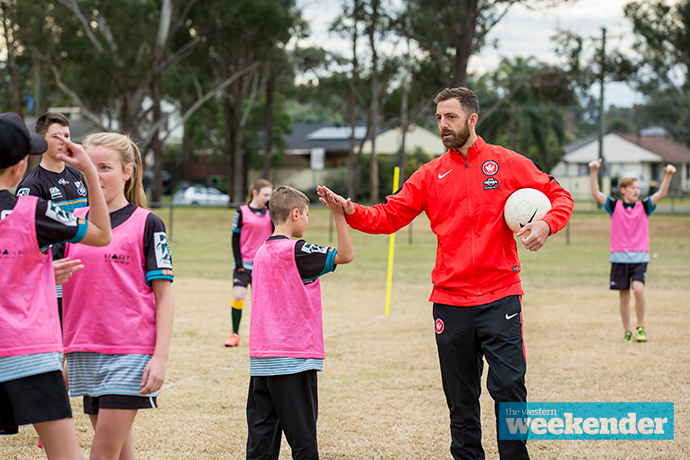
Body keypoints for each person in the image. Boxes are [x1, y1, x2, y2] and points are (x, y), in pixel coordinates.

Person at [318, 87, 574, 460]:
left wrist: (547, 224)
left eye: (450, 117)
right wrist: (351, 210)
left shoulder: (507, 163)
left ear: (472, 119)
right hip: (450, 303)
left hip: (500, 295)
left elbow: (560, 195)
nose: (442, 125)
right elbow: (389, 216)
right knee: (460, 396)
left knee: (509, 387)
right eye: (438, 118)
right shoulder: (430, 175)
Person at [0, 113, 111, 459]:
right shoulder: (34, 210)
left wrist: (42, 272)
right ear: (19, 168)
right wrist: (91, 171)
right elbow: (101, 234)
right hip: (28, 352)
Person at [61, 133, 175, 460]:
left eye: (105, 167)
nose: (95, 175)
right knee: (121, 454)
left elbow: (164, 296)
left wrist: (160, 358)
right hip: (82, 354)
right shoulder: (70, 224)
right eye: (88, 167)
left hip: (129, 354)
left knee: (102, 454)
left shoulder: (147, 223)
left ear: (128, 172)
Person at [246, 185, 353, 460]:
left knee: (261, 440)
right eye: (306, 215)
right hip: (293, 359)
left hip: (262, 360)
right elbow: (345, 255)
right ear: (295, 214)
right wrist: (339, 215)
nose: (307, 221)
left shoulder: (260, 253)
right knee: (303, 439)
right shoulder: (298, 250)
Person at [589, 158, 676, 342]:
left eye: (638, 188)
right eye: (633, 188)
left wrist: (668, 175)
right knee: (624, 296)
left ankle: (640, 327)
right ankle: (627, 331)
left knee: (638, 290)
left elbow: (661, 192)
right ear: (623, 190)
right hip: (619, 258)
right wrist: (594, 171)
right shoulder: (615, 206)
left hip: (640, 256)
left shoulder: (645, 207)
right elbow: (596, 193)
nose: (637, 191)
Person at [16, 112, 89, 326]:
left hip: (83, 270)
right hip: (55, 273)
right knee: (58, 339)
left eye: (67, 135)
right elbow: (24, 237)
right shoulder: (32, 185)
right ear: (41, 140)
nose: (64, 141)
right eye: (57, 136)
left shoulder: (80, 177)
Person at [225, 179, 273, 347]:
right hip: (243, 264)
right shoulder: (242, 211)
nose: (268, 198)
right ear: (255, 193)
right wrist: (238, 262)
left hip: (263, 265)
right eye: (265, 194)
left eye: (270, 195)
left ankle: (263, 336)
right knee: (238, 295)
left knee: (262, 302)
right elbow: (235, 238)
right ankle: (235, 334)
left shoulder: (270, 213)